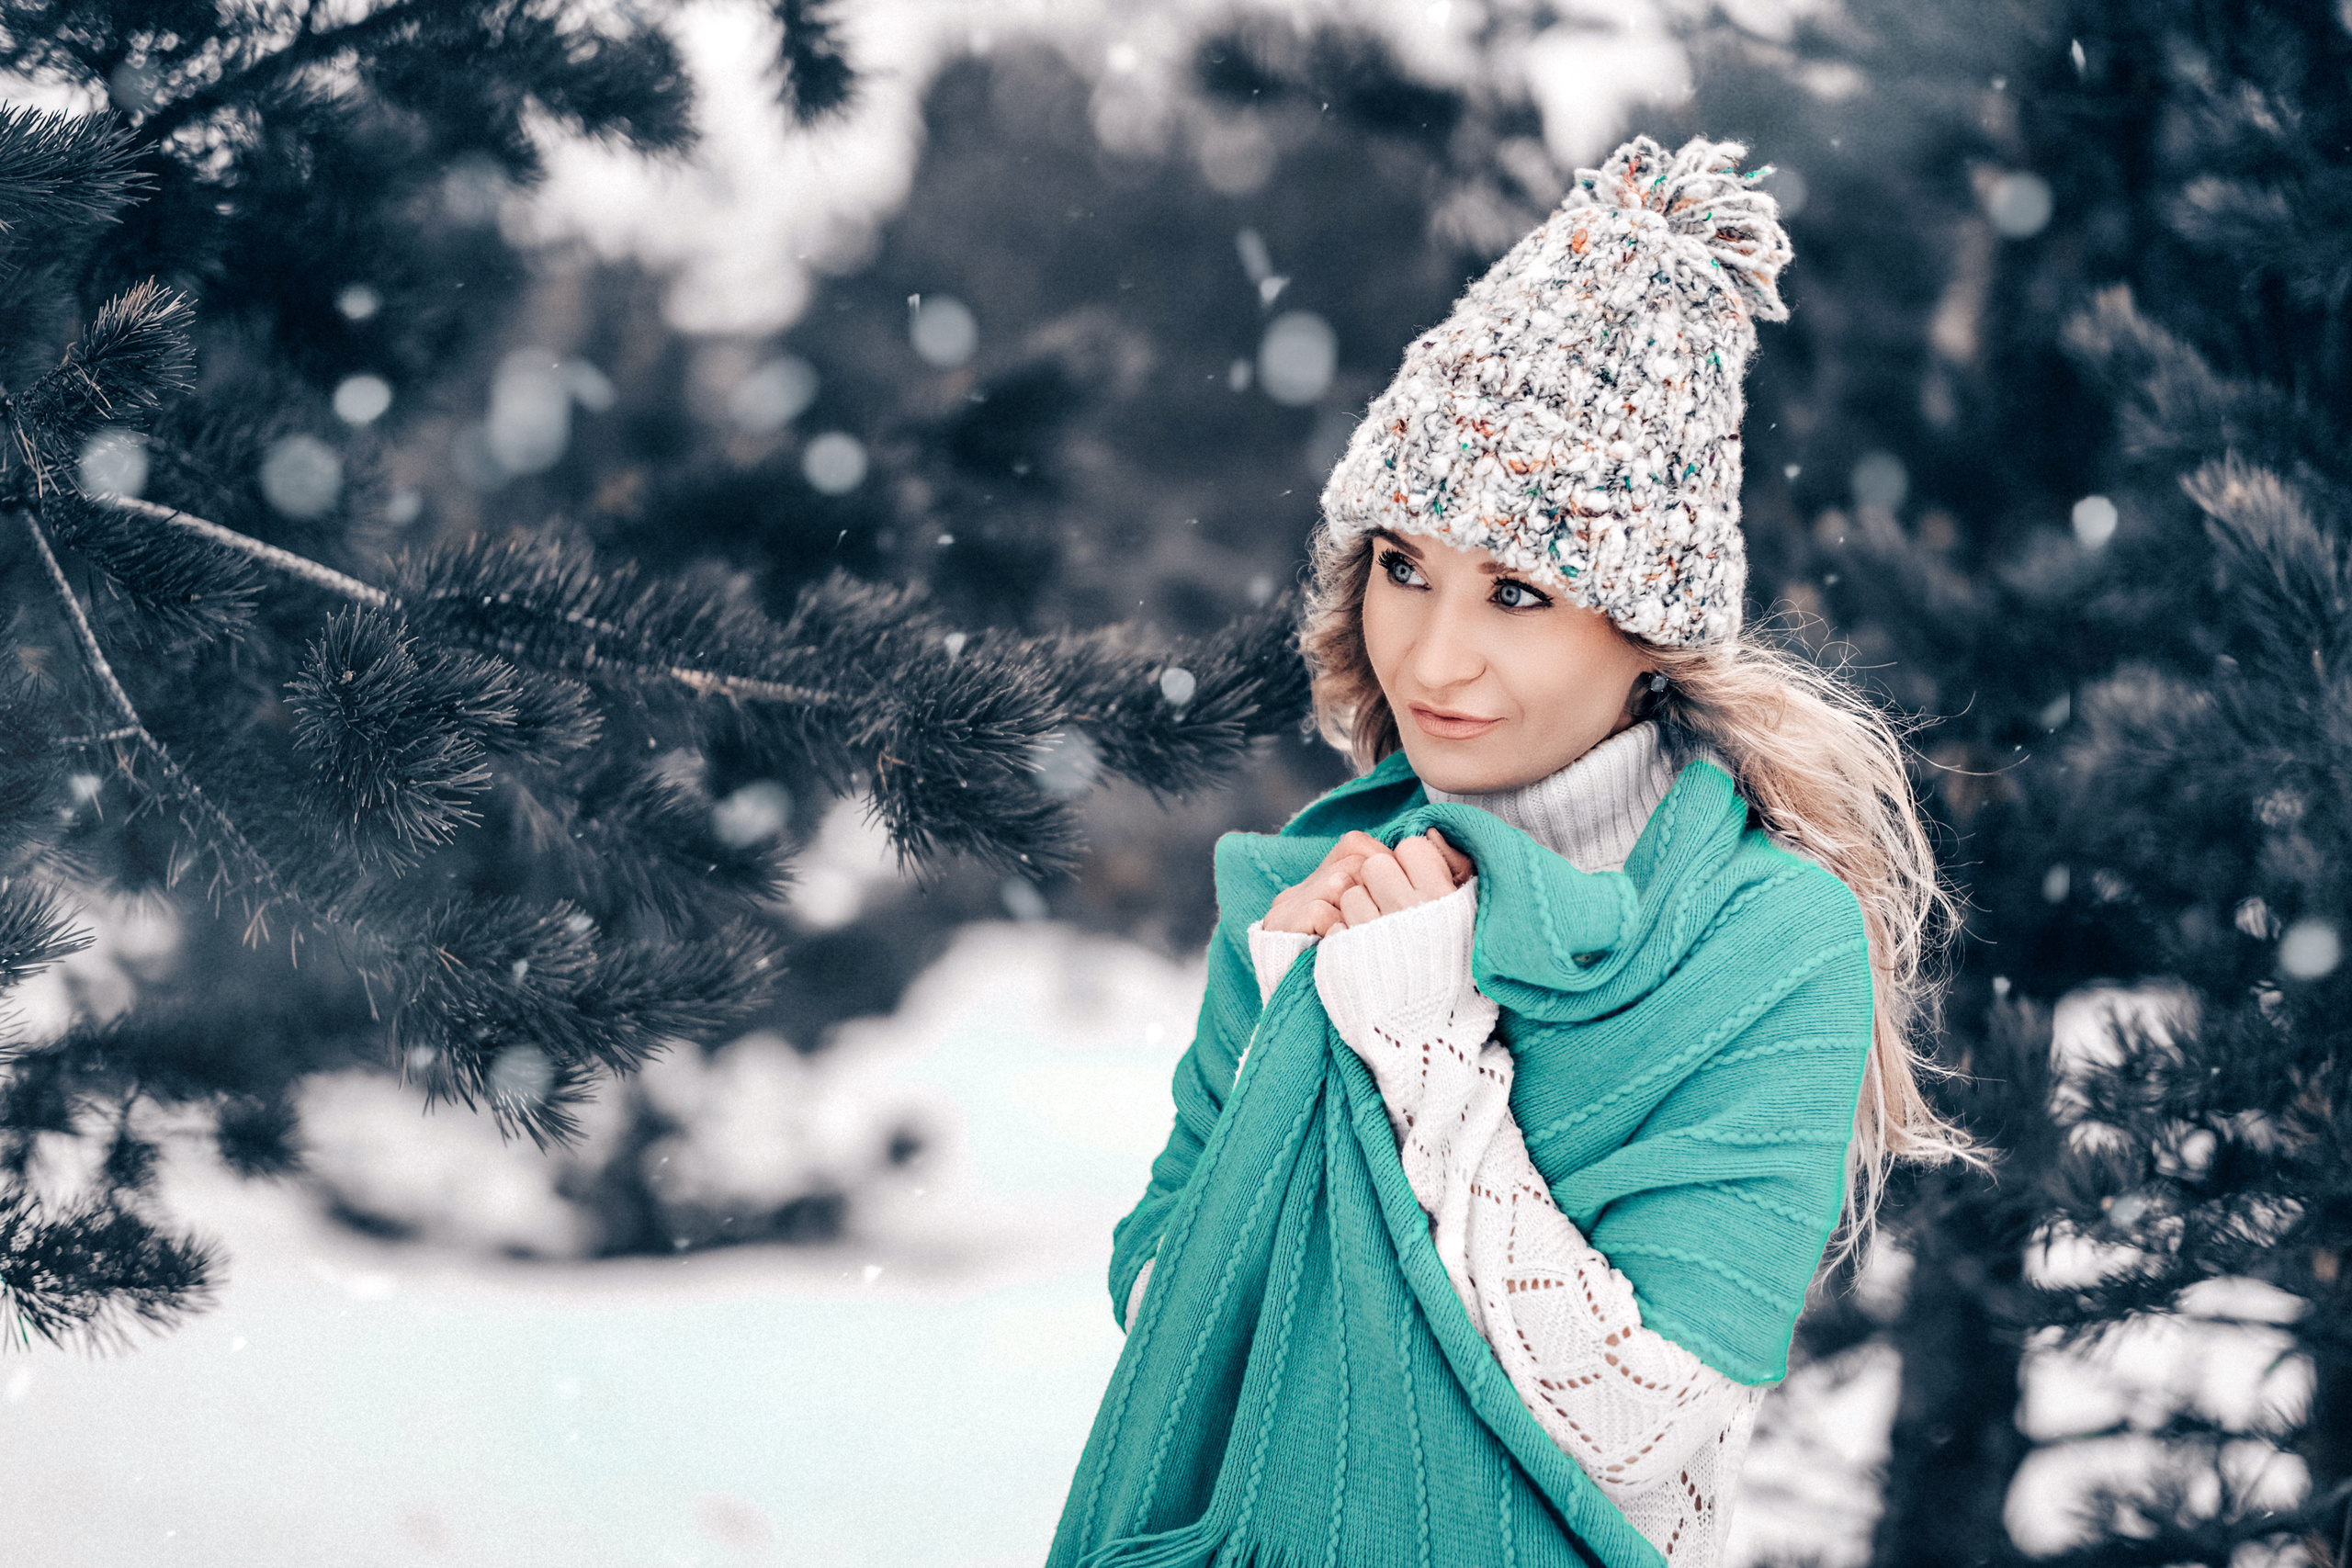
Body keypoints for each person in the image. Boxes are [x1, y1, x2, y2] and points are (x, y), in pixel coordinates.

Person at [1047, 134, 1974, 1568]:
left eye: (1519, 593)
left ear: (1643, 628)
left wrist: (1419, 1042)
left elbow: (1635, 1418)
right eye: (1403, 567)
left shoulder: (1766, 939)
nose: (1433, 653)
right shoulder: (1313, 887)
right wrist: (1302, 1015)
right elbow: (1170, 1307)